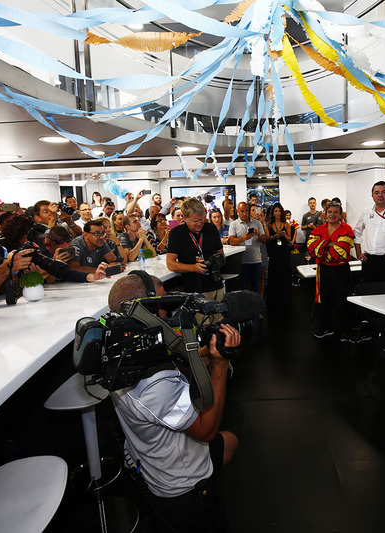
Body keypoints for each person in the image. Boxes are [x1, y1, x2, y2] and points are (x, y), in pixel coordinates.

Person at [108, 273, 240, 533]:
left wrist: (203, 353)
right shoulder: (155, 383)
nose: (169, 312)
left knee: (232, 441)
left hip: (148, 458)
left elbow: (173, 362)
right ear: (143, 310)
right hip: (183, 486)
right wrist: (221, 366)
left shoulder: (122, 349)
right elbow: (206, 431)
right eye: (163, 305)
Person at [308, 200, 355, 340]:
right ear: (325, 214)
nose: (332, 215)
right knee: (324, 300)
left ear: (341, 215)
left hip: (341, 270)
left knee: (342, 300)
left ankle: (345, 331)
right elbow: (311, 249)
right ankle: (326, 328)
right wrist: (331, 244)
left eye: (336, 212)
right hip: (323, 270)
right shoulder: (318, 230)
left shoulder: (347, 229)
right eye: (330, 212)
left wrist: (321, 246)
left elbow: (340, 252)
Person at [166, 198, 225, 300]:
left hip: (216, 284)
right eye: (195, 221)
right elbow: (170, 264)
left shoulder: (211, 229)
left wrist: (217, 263)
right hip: (194, 289)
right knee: (200, 316)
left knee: (220, 315)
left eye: (201, 219)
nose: (199, 223)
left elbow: (221, 254)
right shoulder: (177, 233)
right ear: (184, 218)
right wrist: (193, 268)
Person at [228, 202, 267, 293]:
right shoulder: (234, 224)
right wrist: (244, 238)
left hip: (256, 260)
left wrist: (258, 235)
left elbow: (264, 240)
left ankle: (256, 306)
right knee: (243, 288)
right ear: (237, 211)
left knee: (255, 287)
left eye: (246, 211)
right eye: (242, 211)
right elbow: (232, 241)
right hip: (241, 262)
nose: (245, 213)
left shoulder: (257, 223)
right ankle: (245, 307)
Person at [264, 202, 292, 306]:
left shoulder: (286, 224)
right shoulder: (269, 225)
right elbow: (267, 239)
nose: (278, 213)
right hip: (273, 252)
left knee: (284, 274)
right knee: (273, 273)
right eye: (276, 211)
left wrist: (284, 235)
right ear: (273, 213)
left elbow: (289, 240)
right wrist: (274, 237)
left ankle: (285, 297)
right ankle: (273, 299)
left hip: (284, 252)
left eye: (279, 211)